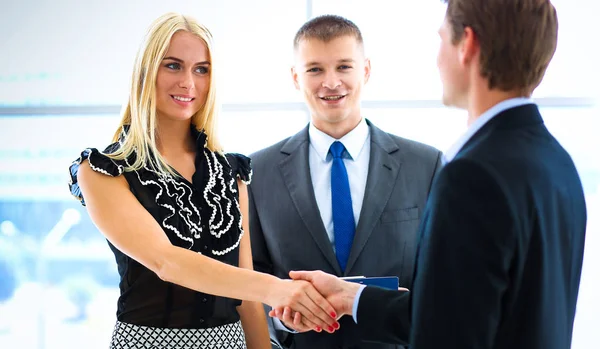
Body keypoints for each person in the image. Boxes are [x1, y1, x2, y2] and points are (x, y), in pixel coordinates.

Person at [281, 1, 588, 349]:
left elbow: (444, 336)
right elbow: (467, 311)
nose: (437, 59)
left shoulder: (471, 177)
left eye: (441, 39)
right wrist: (352, 296)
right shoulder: (557, 162)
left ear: (467, 46)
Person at [68, 12, 338, 349]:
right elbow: (166, 262)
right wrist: (277, 288)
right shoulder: (103, 171)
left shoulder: (231, 171)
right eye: (172, 65)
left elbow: (248, 302)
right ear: (145, 71)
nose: (188, 82)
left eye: (201, 69)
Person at [248, 15, 442, 349]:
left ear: (365, 70)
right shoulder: (258, 171)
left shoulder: (425, 164)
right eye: (315, 70)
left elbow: (441, 274)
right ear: (296, 78)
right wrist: (281, 318)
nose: (331, 82)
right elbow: (251, 277)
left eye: (344, 67)